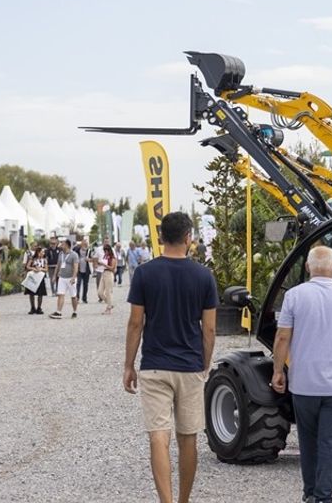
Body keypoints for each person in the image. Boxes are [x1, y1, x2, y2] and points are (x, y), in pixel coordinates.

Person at [123, 212, 218, 503]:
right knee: (188, 438)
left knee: (158, 436)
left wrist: (129, 365)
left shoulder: (144, 273)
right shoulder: (204, 276)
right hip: (189, 365)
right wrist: (205, 361)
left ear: (162, 237)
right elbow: (210, 328)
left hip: (154, 365)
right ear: (189, 238)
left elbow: (136, 323)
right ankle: (183, 500)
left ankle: (165, 501)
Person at [270, 246, 332, 503]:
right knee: (330, 444)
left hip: (304, 385)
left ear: (307, 267)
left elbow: (282, 337)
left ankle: (309, 493)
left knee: (308, 443)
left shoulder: (294, 296)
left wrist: (278, 371)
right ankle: (323, 497)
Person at [49, 239, 79, 320]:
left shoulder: (74, 255)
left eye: (63, 244)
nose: (61, 245)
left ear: (67, 245)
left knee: (73, 296)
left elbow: (76, 267)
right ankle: (58, 312)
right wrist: (55, 275)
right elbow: (58, 265)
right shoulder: (61, 254)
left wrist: (73, 277)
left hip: (70, 278)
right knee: (60, 294)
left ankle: (75, 311)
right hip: (62, 277)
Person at [24, 247, 48, 315]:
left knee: (40, 294)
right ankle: (32, 307)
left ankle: (39, 308)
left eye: (43, 252)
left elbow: (46, 269)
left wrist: (41, 269)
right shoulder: (32, 259)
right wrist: (33, 268)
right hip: (33, 277)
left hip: (40, 277)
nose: (42, 254)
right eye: (41, 252)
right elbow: (27, 266)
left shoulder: (44, 260)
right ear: (37, 252)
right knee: (31, 293)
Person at [98, 244, 117, 314]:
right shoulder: (105, 257)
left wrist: (104, 265)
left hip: (109, 274)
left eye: (106, 250)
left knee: (108, 292)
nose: (105, 252)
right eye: (104, 250)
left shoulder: (113, 258)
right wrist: (99, 264)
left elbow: (112, 268)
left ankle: (108, 308)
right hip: (103, 273)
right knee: (100, 292)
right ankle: (110, 304)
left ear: (109, 250)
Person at [76, 240, 93, 305]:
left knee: (85, 285)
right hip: (79, 269)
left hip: (86, 270)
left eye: (86, 244)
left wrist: (88, 259)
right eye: (84, 244)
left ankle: (84, 298)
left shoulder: (89, 251)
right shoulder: (77, 250)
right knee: (78, 284)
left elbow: (92, 259)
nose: (85, 245)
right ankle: (77, 298)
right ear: (81, 244)